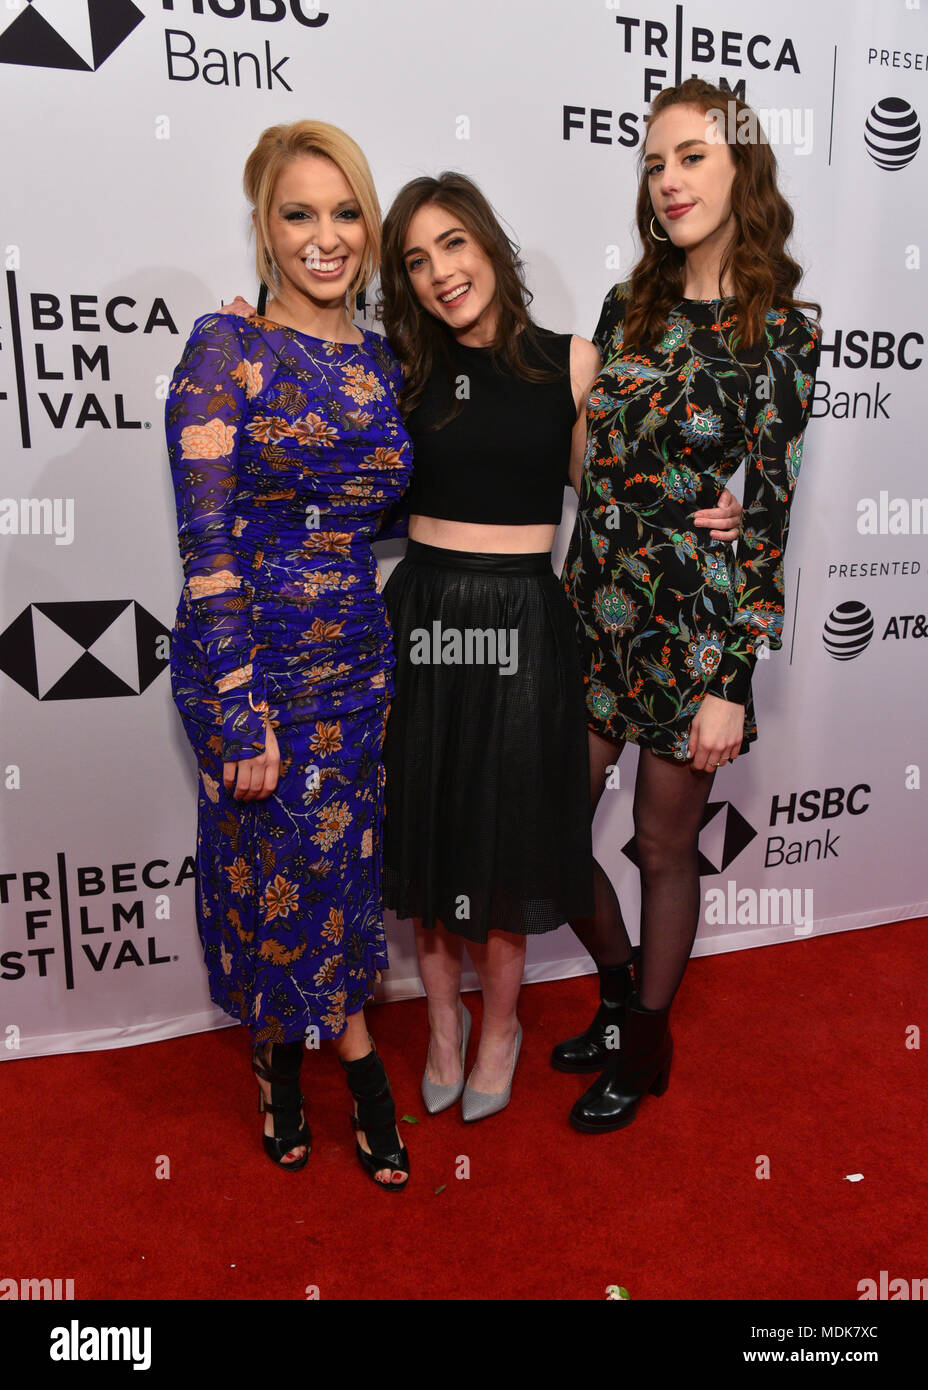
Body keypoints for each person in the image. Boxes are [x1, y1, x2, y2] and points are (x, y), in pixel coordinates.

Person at [376, 172, 742, 1120]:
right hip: (423, 613)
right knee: (431, 816)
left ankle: (502, 1024)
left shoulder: (573, 361)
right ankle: (445, 1025)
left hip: (525, 624)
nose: (440, 272)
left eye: (453, 243)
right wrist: (250, 335)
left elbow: (618, 487)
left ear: (490, 243)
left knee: (503, 827)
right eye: (416, 260)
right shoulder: (400, 368)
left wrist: (718, 513)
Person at [555, 78, 822, 1133]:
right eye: (653, 163)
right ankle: (619, 998)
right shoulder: (629, 307)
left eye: (691, 157)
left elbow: (770, 521)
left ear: (740, 166)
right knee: (548, 831)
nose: (667, 180)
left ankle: (646, 1044)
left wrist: (731, 682)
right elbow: (593, 465)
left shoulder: (782, 334)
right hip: (592, 612)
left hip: (693, 630)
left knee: (664, 849)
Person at [165, 121, 412, 1187]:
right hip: (254, 666)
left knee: (325, 882)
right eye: (298, 214)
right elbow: (206, 545)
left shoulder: (385, 362)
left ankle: (274, 1061)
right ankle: (360, 1076)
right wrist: (233, 707)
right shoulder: (226, 351)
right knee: (285, 870)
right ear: (264, 230)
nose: (326, 237)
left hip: (359, 663)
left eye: (345, 211)